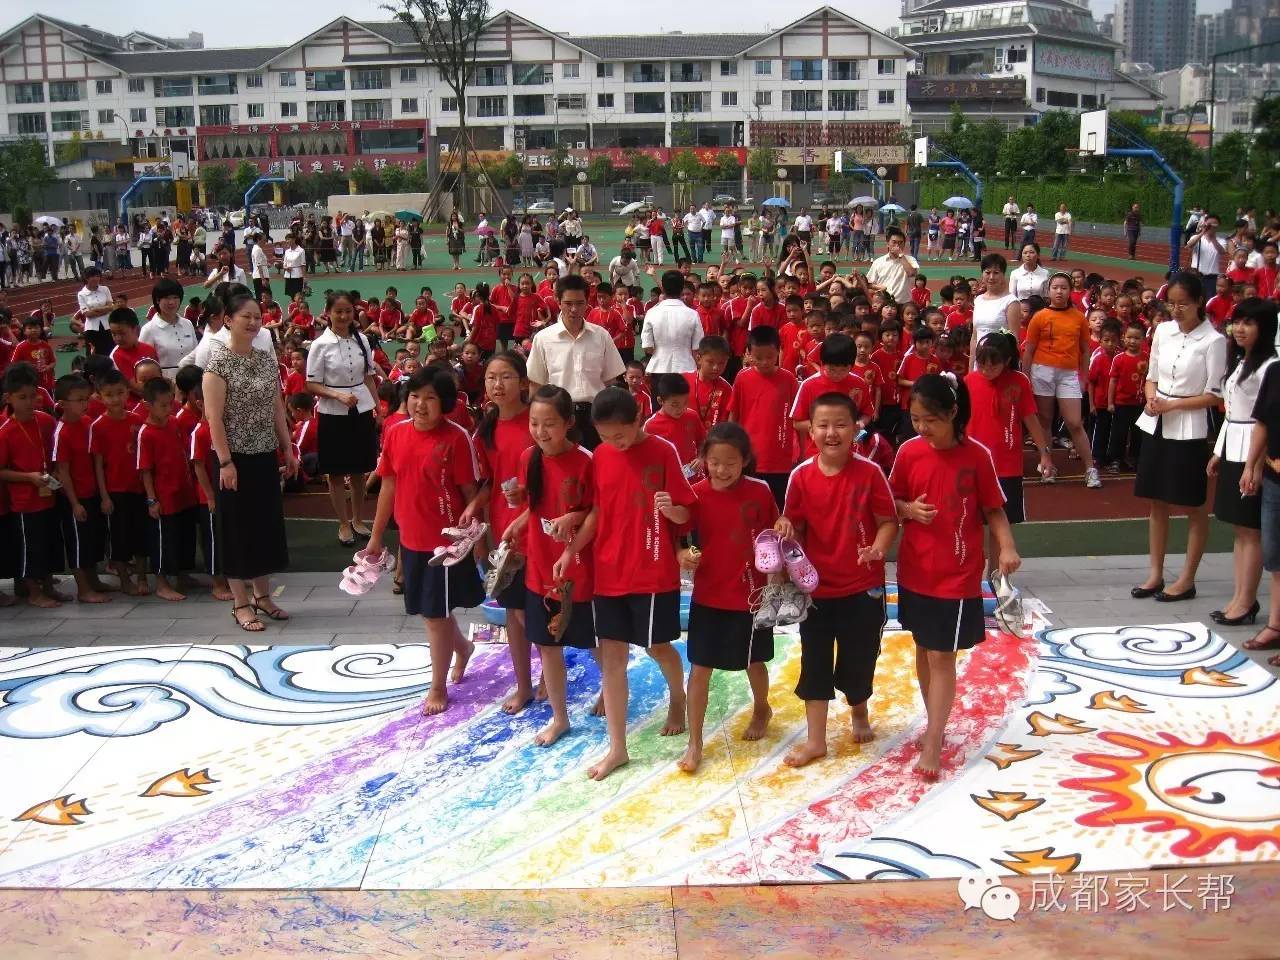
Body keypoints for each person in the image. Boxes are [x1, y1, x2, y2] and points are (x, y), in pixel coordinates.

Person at [553, 387, 693, 781]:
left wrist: (672, 508)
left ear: (638, 420)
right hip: (608, 572)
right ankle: (618, 748)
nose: (614, 443)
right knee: (612, 658)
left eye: (621, 435)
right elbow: (598, 510)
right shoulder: (601, 457)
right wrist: (571, 550)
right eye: (605, 437)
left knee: (656, 646)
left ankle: (678, 698)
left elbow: (685, 513)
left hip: (651, 572)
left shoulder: (663, 451)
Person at [891, 373, 1019, 779]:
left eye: (930, 419)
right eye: (915, 419)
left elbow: (994, 508)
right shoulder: (909, 453)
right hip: (915, 570)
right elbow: (890, 501)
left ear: (952, 413)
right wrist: (909, 510)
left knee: (942, 655)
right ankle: (935, 722)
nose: (922, 428)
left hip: (957, 572)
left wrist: (1008, 547)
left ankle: (933, 738)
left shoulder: (977, 455)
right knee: (924, 648)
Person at [773, 393, 897, 768]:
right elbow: (792, 524)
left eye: (840, 424)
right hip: (816, 591)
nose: (831, 432)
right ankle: (816, 740)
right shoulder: (801, 476)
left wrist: (877, 548)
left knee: (859, 661)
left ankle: (859, 711)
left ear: (855, 428)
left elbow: (889, 520)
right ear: (810, 431)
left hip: (863, 587)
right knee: (815, 663)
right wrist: (783, 528)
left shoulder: (870, 473)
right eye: (823, 425)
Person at [366, 366, 481, 714]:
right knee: (431, 612)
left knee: (434, 615)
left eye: (430, 397)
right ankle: (462, 648)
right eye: (415, 396)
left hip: (444, 544)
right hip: (411, 540)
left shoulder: (457, 437)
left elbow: (470, 491)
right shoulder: (396, 433)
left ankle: (438, 687)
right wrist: (375, 539)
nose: (420, 404)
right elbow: (388, 485)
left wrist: (476, 543)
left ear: (444, 403)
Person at [678, 423, 779, 774]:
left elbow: (773, 535)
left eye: (730, 463)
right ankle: (696, 742)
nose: (722, 470)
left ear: (745, 461)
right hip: (708, 594)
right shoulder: (696, 493)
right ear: (704, 459)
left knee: (754, 661)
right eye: (715, 462)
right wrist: (687, 555)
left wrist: (775, 580)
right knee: (700, 668)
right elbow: (687, 537)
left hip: (750, 595)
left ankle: (762, 707)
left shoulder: (761, 492)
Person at [500, 385, 596, 746]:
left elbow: (597, 512)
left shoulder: (586, 460)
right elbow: (535, 505)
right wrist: (519, 518)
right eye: (535, 423)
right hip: (540, 567)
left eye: (550, 424)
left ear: (569, 423)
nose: (541, 431)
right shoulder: (530, 458)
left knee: (592, 641)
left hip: (579, 569)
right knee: (547, 646)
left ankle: (611, 688)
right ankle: (560, 717)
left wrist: (572, 516)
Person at [201, 286, 296, 633]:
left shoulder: (264, 358)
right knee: (237, 529)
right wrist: (226, 463)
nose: (254, 322)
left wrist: (287, 446)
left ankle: (263, 596)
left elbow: (276, 407)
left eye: (258, 317)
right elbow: (214, 418)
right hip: (234, 459)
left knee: (264, 526)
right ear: (228, 320)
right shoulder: (218, 363)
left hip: (263, 454)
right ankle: (240, 603)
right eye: (246, 317)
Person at [1131, 272, 1227, 603]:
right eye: (1171, 303)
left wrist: (1174, 404)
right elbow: (1152, 375)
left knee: (1192, 504)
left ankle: (1187, 578)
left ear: (1199, 302)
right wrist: (1151, 397)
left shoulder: (1213, 341)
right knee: (1156, 500)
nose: (1176, 310)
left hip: (1189, 426)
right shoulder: (1163, 331)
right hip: (1157, 421)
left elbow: (1215, 395)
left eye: (1183, 304)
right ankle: (1155, 573)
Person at [472, 351, 537, 713]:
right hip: (505, 534)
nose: (498, 384)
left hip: (539, 531)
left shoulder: (538, 421)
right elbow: (488, 482)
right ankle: (524, 683)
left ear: (523, 383)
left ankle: (549, 674)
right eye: (491, 378)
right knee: (513, 611)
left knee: (537, 611)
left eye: (506, 377)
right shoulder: (486, 430)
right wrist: (475, 516)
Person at [1207, 298, 1278, 626]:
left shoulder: (1269, 367)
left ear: (1264, 329)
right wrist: (1219, 451)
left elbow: (1265, 419)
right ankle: (1239, 597)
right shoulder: (1239, 361)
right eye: (1237, 321)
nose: (1239, 329)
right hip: (1234, 447)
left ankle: (1247, 601)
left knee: (1250, 531)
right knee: (1239, 529)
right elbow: (1232, 412)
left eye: (1249, 323)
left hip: (1253, 452)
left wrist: (1255, 464)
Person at [966, 333, 1056, 576]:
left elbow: (1030, 418)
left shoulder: (1019, 382)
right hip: (974, 464)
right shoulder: (969, 382)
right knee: (971, 522)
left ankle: (996, 576)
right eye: (982, 363)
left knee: (1000, 523)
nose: (987, 369)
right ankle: (970, 573)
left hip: (1006, 464)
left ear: (1006, 360)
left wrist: (1044, 453)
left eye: (993, 364)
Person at [305, 291, 380, 547]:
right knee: (336, 473)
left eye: (348, 311)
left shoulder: (362, 340)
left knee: (360, 470)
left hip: (361, 411)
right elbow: (311, 384)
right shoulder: (320, 344)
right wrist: (336, 394)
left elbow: (369, 376)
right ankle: (343, 523)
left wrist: (377, 405)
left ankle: (358, 519)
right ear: (328, 313)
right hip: (332, 413)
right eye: (338, 311)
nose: (344, 316)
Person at [526, 274, 626, 450]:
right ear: (558, 301)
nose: (574, 309)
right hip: (558, 417)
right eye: (568, 303)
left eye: (580, 303)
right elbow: (536, 385)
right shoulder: (543, 339)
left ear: (588, 302)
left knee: (596, 467)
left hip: (596, 417)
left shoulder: (601, 336)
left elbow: (610, 381)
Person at [1022, 273, 1102, 488]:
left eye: (1064, 287)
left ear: (1069, 290)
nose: (1059, 291)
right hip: (1042, 372)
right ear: (1048, 291)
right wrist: (1026, 378)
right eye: (1055, 287)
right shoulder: (1039, 317)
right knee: (1045, 422)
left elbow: (1085, 351)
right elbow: (1028, 351)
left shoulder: (1078, 318)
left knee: (1075, 423)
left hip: (1068, 374)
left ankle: (1090, 468)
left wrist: (1083, 377)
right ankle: (1048, 466)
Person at [0, 362, 65, 607]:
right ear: (9, 398)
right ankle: (34, 592)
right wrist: (28, 477)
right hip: (24, 501)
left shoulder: (46, 421)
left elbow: (55, 454)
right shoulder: (5, 431)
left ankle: (48, 585)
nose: (29, 402)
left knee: (50, 543)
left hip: (49, 492)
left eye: (33, 396)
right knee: (30, 548)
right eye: (22, 397)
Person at [50, 373, 111, 603]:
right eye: (79, 400)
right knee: (77, 544)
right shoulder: (62, 432)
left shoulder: (87, 423)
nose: (85, 404)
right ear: (63, 404)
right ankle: (83, 589)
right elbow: (62, 471)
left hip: (92, 492)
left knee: (93, 540)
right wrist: (74, 502)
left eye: (86, 399)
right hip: (74, 498)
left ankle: (94, 580)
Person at [137, 377, 198, 602]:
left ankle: (183, 574)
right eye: (162, 404)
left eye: (170, 402)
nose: (168, 408)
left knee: (184, 535)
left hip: (183, 491)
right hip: (164, 496)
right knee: (164, 540)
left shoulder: (174, 423)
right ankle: (162, 583)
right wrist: (152, 500)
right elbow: (145, 470)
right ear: (148, 405)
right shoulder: (146, 433)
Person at [729, 326, 799, 508]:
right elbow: (734, 415)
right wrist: (731, 447)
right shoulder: (742, 378)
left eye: (770, 357)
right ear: (748, 353)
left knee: (777, 508)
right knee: (749, 508)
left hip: (780, 459)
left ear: (779, 351)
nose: (765, 362)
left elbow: (797, 418)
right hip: (750, 456)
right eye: (758, 358)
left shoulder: (788, 379)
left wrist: (801, 450)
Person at [640, 270, 703, 376]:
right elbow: (697, 347)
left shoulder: (651, 313)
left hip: (658, 368)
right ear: (681, 288)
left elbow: (647, 347)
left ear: (663, 288)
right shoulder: (693, 314)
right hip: (686, 367)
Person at [139, 278, 197, 380]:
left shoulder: (187, 324)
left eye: (175, 297)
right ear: (157, 300)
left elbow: (196, 352)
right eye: (166, 298)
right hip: (166, 387)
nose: (171, 302)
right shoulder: (148, 329)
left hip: (191, 383)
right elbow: (144, 365)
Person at [970, 254, 1020, 367]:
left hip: (999, 363)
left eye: (996, 273)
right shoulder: (978, 300)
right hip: (980, 360)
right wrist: (971, 368)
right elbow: (974, 337)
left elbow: (1014, 339)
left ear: (1003, 274)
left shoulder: (1011, 302)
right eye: (987, 272)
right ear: (982, 274)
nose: (991, 277)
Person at [863, 227, 919, 304]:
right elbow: (869, 283)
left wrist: (901, 256)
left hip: (903, 303)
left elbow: (911, 273)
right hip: (884, 304)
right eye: (894, 242)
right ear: (888, 244)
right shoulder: (878, 262)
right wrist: (880, 288)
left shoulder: (910, 260)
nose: (897, 245)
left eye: (900, 243)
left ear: (904, 244)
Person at [77, 267, 115, 357]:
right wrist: (105, 309)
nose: (96, 278)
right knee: (94, 354)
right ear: (86, 278)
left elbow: (111, 306)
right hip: (92, 329)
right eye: (93, 276)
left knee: (111, 352)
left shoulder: (105, 289)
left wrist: (94, 309)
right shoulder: (81, 294)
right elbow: (88, 314)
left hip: (107, 326)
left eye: (98, 276)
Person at [1186, 213, 1228, 291]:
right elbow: (1188, 245)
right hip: (1196, 275)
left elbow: (1222, 251)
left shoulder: (1221, 241)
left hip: (1212, 277)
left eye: (1214, 225)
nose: (1211, 227)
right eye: (1209, 224)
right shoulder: (1196, 238)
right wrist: (1202, 232)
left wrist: (1213, 238)